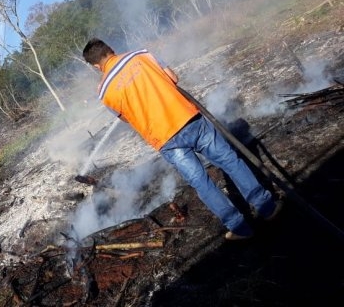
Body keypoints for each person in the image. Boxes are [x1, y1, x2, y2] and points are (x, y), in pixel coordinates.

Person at [82, 38, 283, 240]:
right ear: (111, 49)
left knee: (201, 181)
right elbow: (173, 78)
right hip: (188, 118)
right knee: (229, 160)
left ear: (97, 66)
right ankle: (266, 206)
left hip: (165, 138)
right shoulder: (141, 55)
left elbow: (125, 118)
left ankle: (239, 227)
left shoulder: (104, 92)